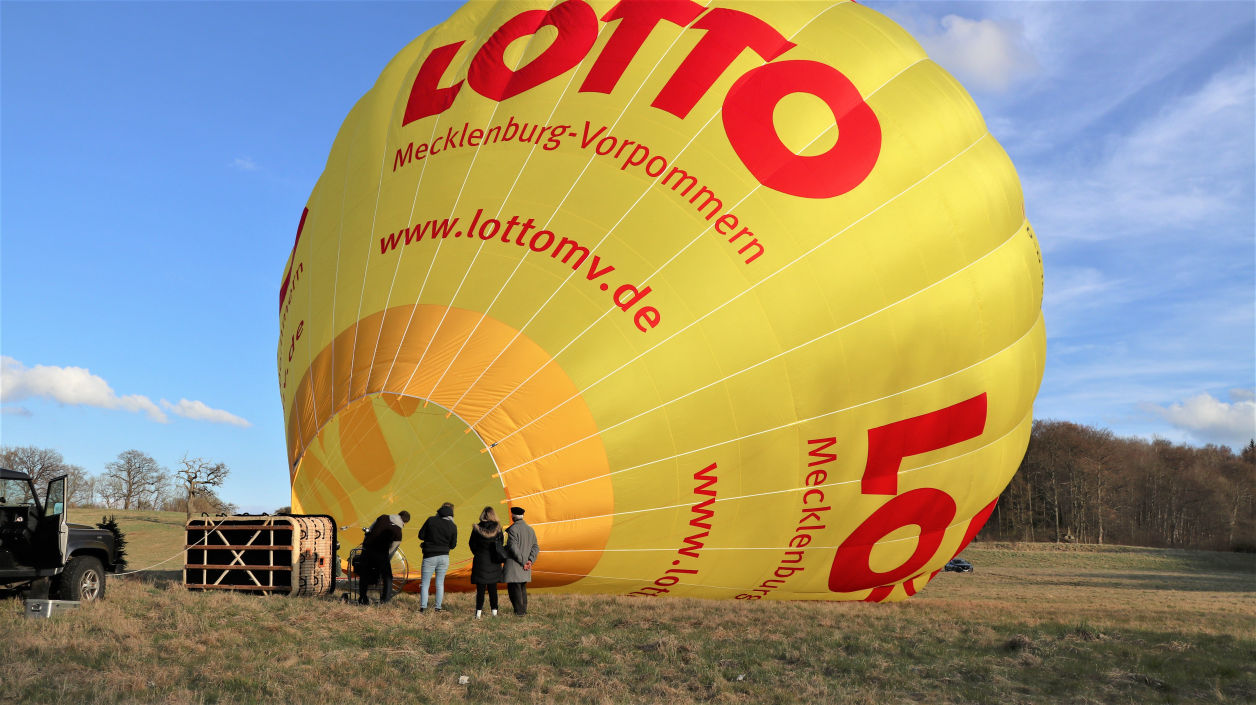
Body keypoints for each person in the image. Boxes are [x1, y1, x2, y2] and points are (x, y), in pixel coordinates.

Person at [358, 510, 409, 605]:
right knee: (388, 577)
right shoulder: (398, 532)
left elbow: (369, 530)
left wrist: (365, 545)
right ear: (404, 522)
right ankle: (385, 600)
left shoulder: (383, 517)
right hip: (381, 552)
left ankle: (362, 597)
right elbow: (392, 550)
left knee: (364, 574)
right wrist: (385, 560)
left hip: (368, 548)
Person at [417, 502, 457, 612]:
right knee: (439, 583)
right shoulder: (453, 526)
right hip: (444, 557)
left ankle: (423, 608)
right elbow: (453, 545)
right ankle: (438, 607)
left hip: (429, 556)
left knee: (425, 583)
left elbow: (421, 535)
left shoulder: (431, 520)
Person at [467, 506, 505, 619]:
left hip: (480, 561)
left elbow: (471, 544)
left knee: (480, 590)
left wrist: (478, 553)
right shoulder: (498, 529)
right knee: (493, 589)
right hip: (494, 562)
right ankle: (494, 612)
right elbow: (501, 544)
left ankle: (478, 613)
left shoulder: (476, 528)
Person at [502, 506, 538, 616]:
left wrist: (523, 562)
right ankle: (523, 611)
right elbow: (535, 547)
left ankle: (519, 613)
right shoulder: (530, 529)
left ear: (513, 516)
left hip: (515, 565)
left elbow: (513, 547)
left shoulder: (513, 529)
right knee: (522, 588)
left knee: (514, 590)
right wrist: (530, 561)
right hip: (526, 565)